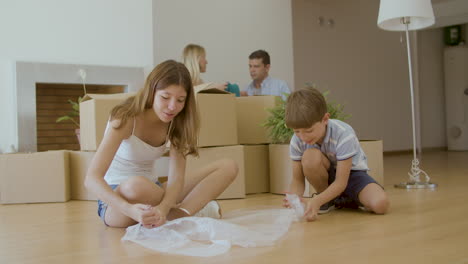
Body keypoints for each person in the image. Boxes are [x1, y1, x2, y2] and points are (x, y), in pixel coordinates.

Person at [84, 60, 238, 229]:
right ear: (151, 92)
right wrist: (130, 210)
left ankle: (174, 214)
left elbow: (176, 179)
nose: (172, 107)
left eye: (180, 100)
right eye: (165, 97)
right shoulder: (125, 117)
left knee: (228, 166)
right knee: (134, 186)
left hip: (154, 191)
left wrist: (164, 208)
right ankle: (188, 211)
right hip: (117, 201)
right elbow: (91, 179)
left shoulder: (176, 123)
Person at [283, 87, 389, 221]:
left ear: (325, 119)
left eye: (309, 130)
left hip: (352, 176)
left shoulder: (343, 133)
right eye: (297, 131)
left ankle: (344, 199)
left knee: (381, 205)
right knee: (310, 156)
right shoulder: (297, 140)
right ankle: (329, 200)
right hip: (327, 178)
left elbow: (341, 182)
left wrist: (316, 200)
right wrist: (293, 199)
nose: (303, 137)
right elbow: (297, 180)